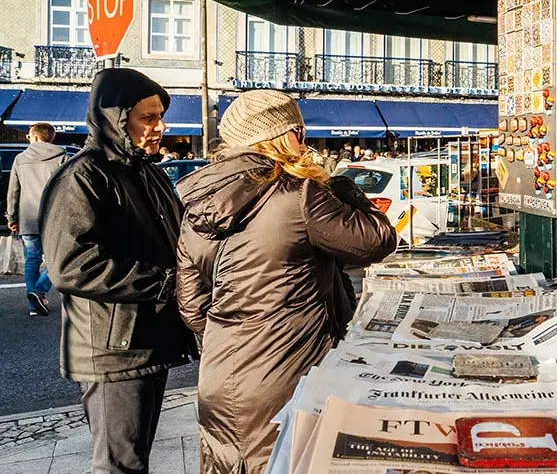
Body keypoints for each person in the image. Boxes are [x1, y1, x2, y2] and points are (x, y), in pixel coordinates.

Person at [175, 90, 398, 473]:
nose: (305, 140)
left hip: (219, 377)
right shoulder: (301, 195)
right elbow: (376, 240)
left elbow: (193, 308)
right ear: (282, 137)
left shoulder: (199, 204)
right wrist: (343, 188)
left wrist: (238, 328)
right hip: (285, 377)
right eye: (300, 131)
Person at [39, 68, 196, 474]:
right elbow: (71, 266)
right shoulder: (82, 177)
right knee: (118, 466)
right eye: (148, 117)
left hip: (147, 342)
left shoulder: (146, 171)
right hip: (112, 352)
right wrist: (165, 283)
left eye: (160, 116)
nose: (159, 127)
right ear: (115, 117)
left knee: (132, 460)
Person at [6, 122, 67, 316]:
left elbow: (13, 191)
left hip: (28, 217)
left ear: (35, 137)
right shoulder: (63, 157)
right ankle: (39, 291)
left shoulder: (20, 159)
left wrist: (11, 216)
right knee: (58, 260)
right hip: (55, 217)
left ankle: (34, 305)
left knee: (32, 259)